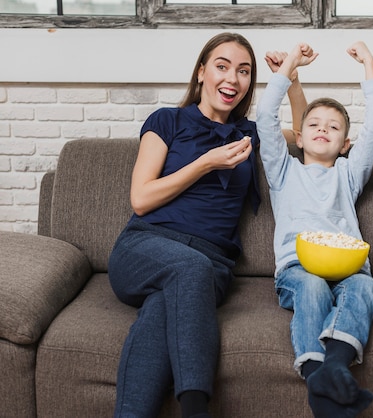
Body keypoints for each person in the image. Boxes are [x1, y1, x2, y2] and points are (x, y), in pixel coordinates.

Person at [107, 32, 305, 418]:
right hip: (144, 248)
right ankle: (196, 409)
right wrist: (205, 164)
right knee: (188, 269)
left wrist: (292, 78)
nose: (233, 78)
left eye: (244, 71)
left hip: (211, 264)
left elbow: (303, 137)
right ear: (201, 72)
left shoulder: (247, 134)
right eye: (222, 66)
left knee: (163, 311)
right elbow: (141, 198)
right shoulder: (168, 120)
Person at [256, 42, 373, 418]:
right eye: (313, 125)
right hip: (299, 268)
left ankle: (335, 366)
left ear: (345, 144)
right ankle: (316, 372)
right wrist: (291, 65)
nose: (322, 130)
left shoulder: (349, 174)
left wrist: (370, 65)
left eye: (332, 127)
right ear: (298, 137)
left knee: (367, 286)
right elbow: (265, 119)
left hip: (348, 269)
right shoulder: (284, 172)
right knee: (312, 286)